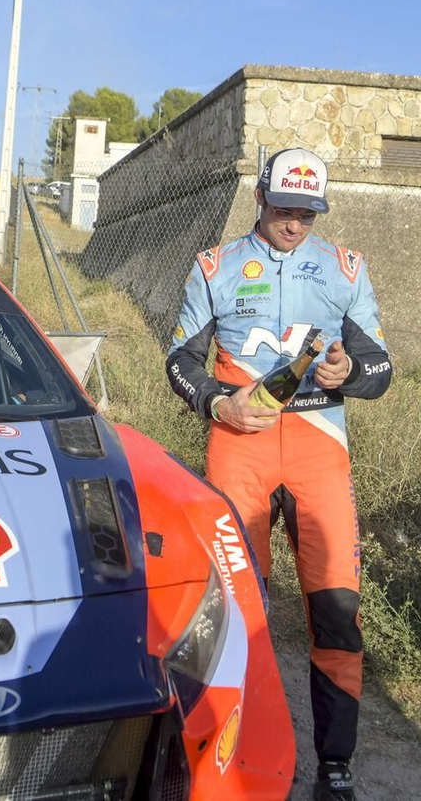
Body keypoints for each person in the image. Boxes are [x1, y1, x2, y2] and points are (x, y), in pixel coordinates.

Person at [166, 147, 392, 801]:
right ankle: (233, 758)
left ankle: (335, 767)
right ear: (259, 199)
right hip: (241, 445)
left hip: (321, 445)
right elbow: (179, 360)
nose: (294, 224)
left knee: (337, 610)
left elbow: (381, 368)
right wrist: (219, 403)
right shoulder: (215, 265)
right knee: (236, 611)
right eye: (284, 210)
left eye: (307, 214)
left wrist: (351, 371)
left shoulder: (346, 268)